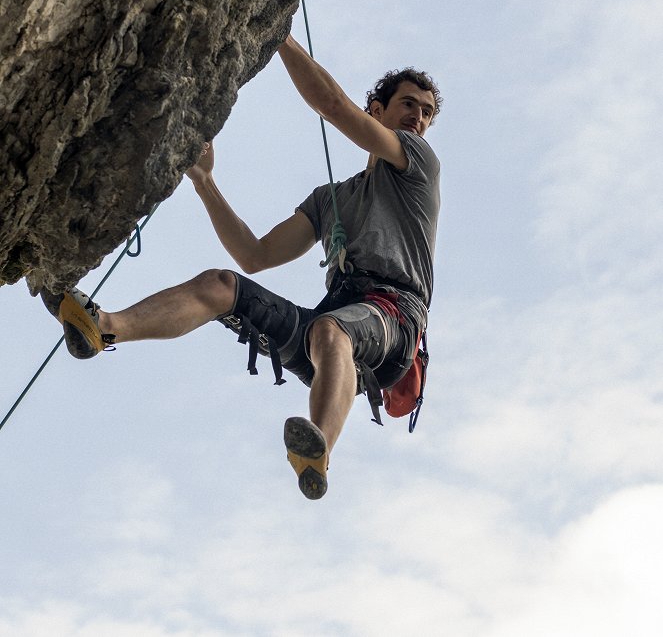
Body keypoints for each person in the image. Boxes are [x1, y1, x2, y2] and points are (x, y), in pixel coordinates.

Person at [42, 33, 441, 500]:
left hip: (391, 316)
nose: (418, 117)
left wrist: (279, 37)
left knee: (331, 332)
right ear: (377, 108)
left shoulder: (417, 162)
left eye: (427, 112)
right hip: (331, 331)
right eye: (408, 104)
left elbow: (334, 106)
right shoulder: (331, 198)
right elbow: (255, 255)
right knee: (221, 285)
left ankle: (318, 451)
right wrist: (205, 184)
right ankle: (102, 328)